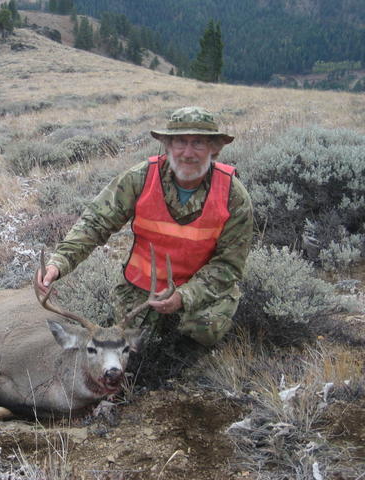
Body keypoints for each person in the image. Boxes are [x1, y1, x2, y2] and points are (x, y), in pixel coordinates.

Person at [37, 106, 253, 349]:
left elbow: (229, 265)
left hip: (200, 288)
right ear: (167, 145)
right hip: (141, 288)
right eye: (180, 142)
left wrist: (185, 296)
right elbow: (95, 222)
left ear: (214, 149)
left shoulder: (233, 194)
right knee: (131, 344)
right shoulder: (139, 178)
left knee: (204, 329)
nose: (188, 153)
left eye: (199, 143)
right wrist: (59, 263)